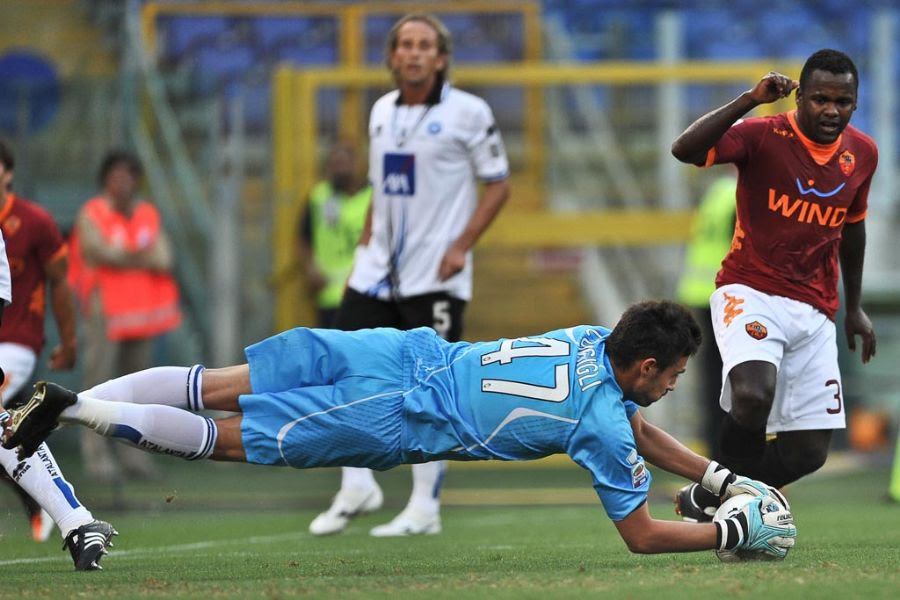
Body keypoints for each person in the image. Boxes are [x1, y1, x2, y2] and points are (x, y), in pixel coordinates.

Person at [2, 300, 796, 558]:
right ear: (649, 368)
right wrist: (727, 534)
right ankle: (71, 407)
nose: (676, 385)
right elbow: (643, 535)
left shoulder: (592, 339)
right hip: (394, 415)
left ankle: (55, 407)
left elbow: (638, 428)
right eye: (675, 373)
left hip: (396, 350)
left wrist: (716, 478)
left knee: (216, 383)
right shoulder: (602, 424)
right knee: (230, 436)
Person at [313, 13, 511, 537]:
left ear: (441, 57)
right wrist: (364, 245)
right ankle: (357, 482)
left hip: (436, 277)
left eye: (425, 45)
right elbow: (382, 185)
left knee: (429, 387)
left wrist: (461, 246)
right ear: (393, 55)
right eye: (406, 44)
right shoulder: (381, 112)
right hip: (378, 270)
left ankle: (425, 506)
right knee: (345, 368)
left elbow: (497, 185)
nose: (415, 53)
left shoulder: (469, 112)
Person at [670, 49, 878, 521]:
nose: (831, 110)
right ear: (800, 96)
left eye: (843, 101)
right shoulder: (764, 135)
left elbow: (854, 226)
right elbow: (684, 150)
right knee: (752, 394)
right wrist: (749, 100)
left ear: (855, 103)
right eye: (820, 98)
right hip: (749, 290)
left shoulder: (862, 153)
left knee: (809, 454)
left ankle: (710, 499)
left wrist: (856, 306)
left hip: (816, 307)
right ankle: (728, 504)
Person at [0, 141, 117, 569]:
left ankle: (72, 519)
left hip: (17, 345)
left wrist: (68, 341)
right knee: (6, 427)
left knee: (5, 426)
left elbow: (58, 284)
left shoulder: (31, 222)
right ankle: (76, 521)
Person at [68, 150, 181, 483]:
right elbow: (98, 250)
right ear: (105, 179)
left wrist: (124, 256)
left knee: (140, 388)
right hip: (106, 312)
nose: (122, 182)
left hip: (142, 314)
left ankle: (134, 456)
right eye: (116, 175)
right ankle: (96, 456)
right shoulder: (93, 213)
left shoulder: (146, 212)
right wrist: (135, 255)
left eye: (128, 175)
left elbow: (162, 256)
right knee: (99, 383)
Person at [676, 174, 736, 454]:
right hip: (730, 295)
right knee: (736, 377)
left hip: (705, 291)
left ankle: (717, 452)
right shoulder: (742, 192)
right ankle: (731, 454)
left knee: (715, 378)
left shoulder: (719, 189)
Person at [296, 142, 371, 329]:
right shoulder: (319, 197)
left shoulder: (374, 196)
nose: (340, 169)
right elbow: (303, 239)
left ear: (358, 164)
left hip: (368, 292)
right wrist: (311, 270)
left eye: (344, 163)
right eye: (335, 164)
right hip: (330, 296)